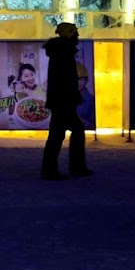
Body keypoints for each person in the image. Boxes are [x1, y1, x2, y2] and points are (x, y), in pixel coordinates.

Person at [40, 22, 91, 180]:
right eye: (75, 33)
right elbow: (65, 80)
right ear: (69, 35)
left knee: (59, 134)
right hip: (63, 102)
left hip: (60, 101)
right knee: (64, 134)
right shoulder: (64, 52)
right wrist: (73, 96)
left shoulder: (59, 51)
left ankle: (54, 169)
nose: (77, 35)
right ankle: (70, 167)